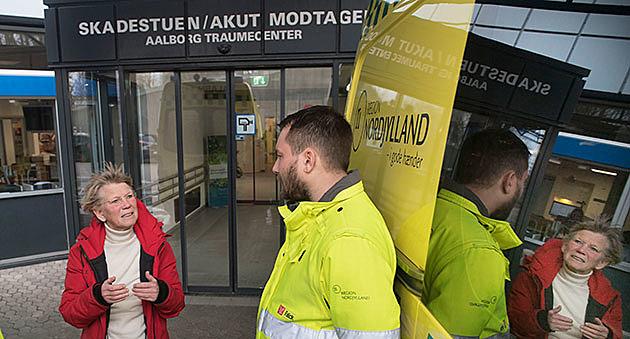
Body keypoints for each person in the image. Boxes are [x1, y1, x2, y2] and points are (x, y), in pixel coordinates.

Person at [256, 106, 400, 338]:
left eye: (280, 156)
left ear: (308, 160)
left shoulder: (349, 239)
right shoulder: (319, 216)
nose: (275, 167)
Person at [423, 128, 530, 338]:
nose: (521, 188)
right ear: (509, 181)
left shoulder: (432, 206)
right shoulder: (479, 250)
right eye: (522, 181)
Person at [59, 163, 184, 339]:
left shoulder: (158, 245)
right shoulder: (81, 252)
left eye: (129, 196)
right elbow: (70, 313)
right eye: (116, 201)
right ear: (100, 213)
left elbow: (176, 304)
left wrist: (161, 292)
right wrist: (97, 296)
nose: (127, 205)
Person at [508, 221, 623, 339]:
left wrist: (607, 335)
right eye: (578, 242)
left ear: (602, 262)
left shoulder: (610, 298)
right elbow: (513, 322)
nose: (581, 250)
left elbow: (617, 335)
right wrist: (542, 320)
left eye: (593, 249)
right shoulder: (532, 276)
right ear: (564, 246)